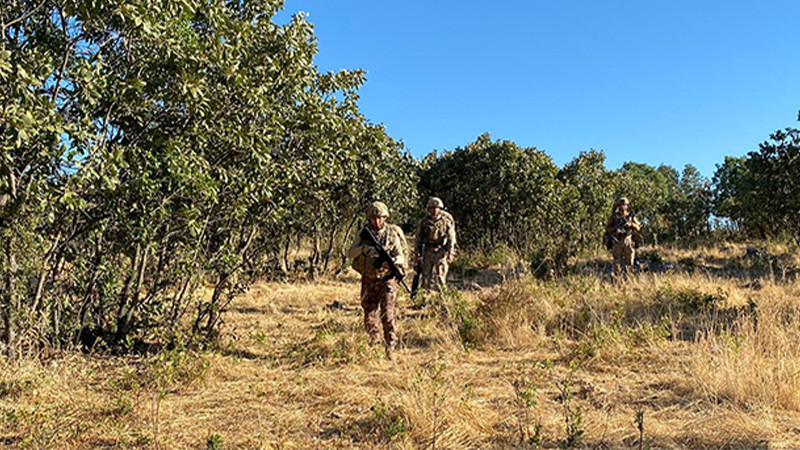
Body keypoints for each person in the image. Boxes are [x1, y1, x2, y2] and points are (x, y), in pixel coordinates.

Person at [348, 201, 407, 358]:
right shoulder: (363, 234)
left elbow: (400, 255)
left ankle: (391, 348)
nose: (377, 221)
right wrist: (364, 249)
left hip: (387, 279)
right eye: (374, 218)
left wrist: (393, 262)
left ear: (385, 218)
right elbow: (350, 253)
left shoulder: (391, 234)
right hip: (369, 279)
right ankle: (374, 342)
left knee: (387, 315)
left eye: (380, 218)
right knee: (369, 314)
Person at [414, 197, 457, 292]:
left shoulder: (446, 221)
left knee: (441, 277)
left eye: (436, 208)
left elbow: (451, 238)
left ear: (440, 208)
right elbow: (418, 238)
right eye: (432, 208)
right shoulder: (424, 222)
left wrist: (450, 252)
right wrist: (417, 252)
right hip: (427, 251)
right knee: (425, 277)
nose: (434, 210)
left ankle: (443, 299)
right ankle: (424, 299)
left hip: (440, 252)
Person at [605, 197, 641, 281]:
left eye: (624, 205)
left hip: (628, 239)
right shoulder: (614, 216)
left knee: (630, 261)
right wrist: (615, 229)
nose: (623, 206)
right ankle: (617, 280)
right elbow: (607, 228)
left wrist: (631, 224)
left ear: (627, 206)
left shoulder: (630, 216)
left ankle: (630, 279)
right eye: (621, 205)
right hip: (617, 240)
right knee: (617, 262)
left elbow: (638, 227)